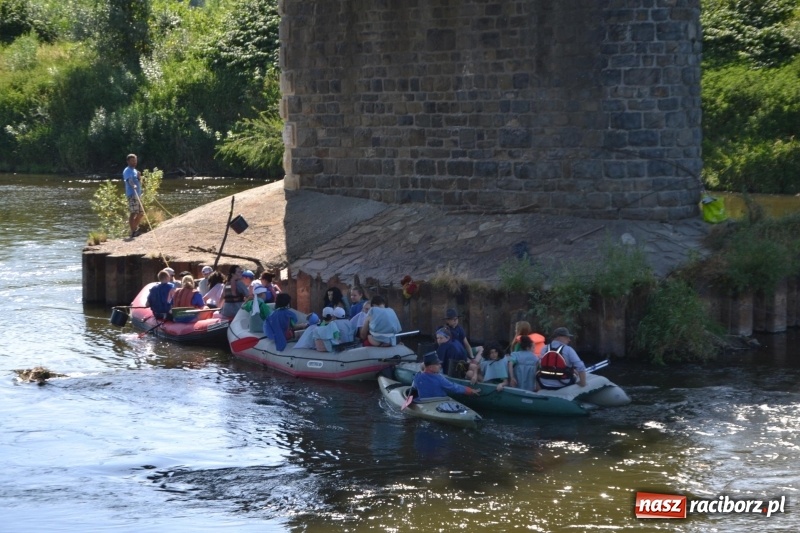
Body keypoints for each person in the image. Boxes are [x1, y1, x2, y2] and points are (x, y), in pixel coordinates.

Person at [411, 352, 480, 401]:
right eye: (437, 364)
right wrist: (470, 390)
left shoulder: (417, 376)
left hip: (423, 401)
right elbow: (454, 387)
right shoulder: (439, 378)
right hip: (438, 401)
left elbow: (413, 388)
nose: (440, 366)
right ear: (431, 367)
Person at [123, 153, 144, 238]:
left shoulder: (135, 170)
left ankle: (134, 230)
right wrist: (133, 185)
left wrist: (139, 178)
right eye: (132, 161)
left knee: (141, 213)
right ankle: (133, 231)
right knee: (133, 212)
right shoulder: (127, 170)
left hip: (138, 195)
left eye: (135, 161)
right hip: (132, 194)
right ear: (128, 161)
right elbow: (129, 180)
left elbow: (138, 181)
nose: (134, 162)